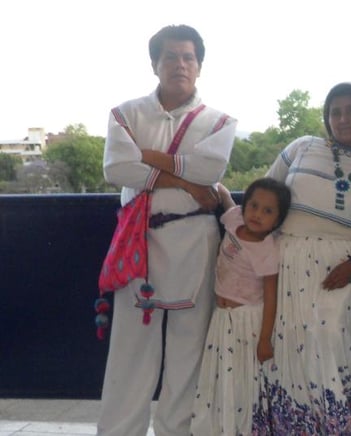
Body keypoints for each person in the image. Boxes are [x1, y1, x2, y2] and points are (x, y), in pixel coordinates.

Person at [98, 24, 236, 436]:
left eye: (188, 57)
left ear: (199, 66)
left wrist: (148, 158)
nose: (180, 64)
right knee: (129, 352)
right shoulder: (126, 113)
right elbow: (117, 169)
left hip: (194, 241)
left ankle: (177, 431)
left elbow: (210, 169)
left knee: (188, 351)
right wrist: (186, 182)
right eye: (171, 57)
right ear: (154, 64)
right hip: (138, 243)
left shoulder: (218, 122)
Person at [259, 82, 351, 435]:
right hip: (286, 268)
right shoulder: (302, 147)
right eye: (336, 112)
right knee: (285, 354)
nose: (343, 118)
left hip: (342, 272)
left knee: (333, 353)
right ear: (326, 117)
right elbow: (264, 195)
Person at [189, 179, 290, 436]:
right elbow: (226, 200)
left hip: (247, 324)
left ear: (278, 220)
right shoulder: (234, 219)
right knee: (219, 376)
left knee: (241, 379)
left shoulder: (267, 251)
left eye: (268, 211)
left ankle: (241, 429)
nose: (257, 214)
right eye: (253, 205)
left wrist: (264, 339)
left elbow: (271, 298)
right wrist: (215, 183)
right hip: (222, 319)